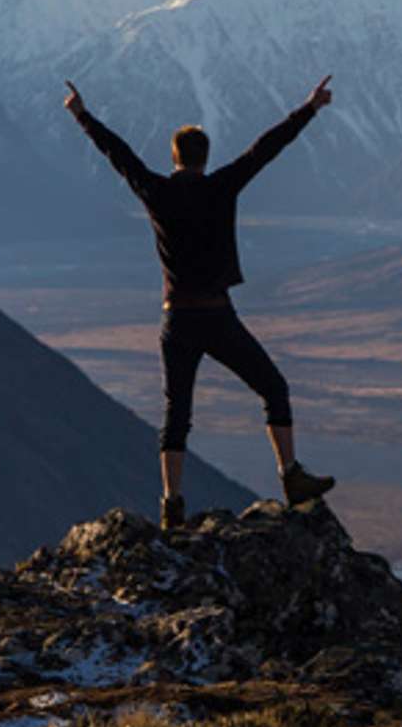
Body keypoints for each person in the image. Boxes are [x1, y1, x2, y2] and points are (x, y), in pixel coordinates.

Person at [64, 75, 338, 530]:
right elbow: (265, 149)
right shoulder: (221, 187)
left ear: (174, 158)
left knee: (177, 413)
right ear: (204, 158)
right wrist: (310, 108)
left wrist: (82, 116)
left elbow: (119, 154)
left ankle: (172, 505)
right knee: (273, 388)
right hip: (216, 315)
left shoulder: (155, 192)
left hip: (176, 320)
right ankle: (290, 477)